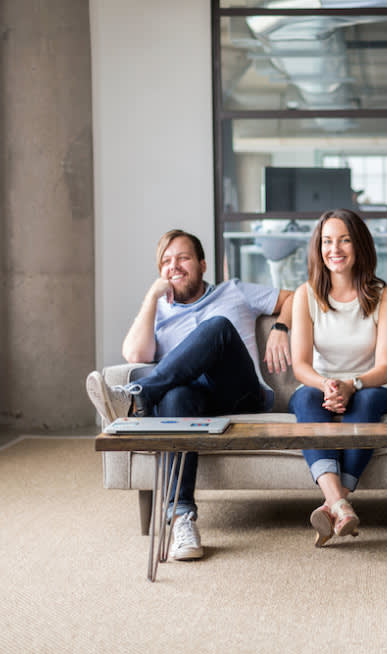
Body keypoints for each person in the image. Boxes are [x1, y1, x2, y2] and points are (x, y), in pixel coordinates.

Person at [85, 229, 293, 561]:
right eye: (166, 262)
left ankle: (138, 398)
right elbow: (134, 353)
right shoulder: (157, 312)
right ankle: (182, 519)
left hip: (240, 396)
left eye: (182, 258)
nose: (175, 266)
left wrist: (280, 328)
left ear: (202, 264)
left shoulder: (234, 291)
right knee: (177, 397)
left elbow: (294, 298)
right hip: (195, 406)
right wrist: (151, 298)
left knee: (217, 327)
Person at [288, 209, 387, 546]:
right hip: (321, 387)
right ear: (318, 248)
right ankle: (340, 504)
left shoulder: (384, 295)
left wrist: (353, 384)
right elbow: (301, 365)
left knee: (365, 400)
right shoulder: (305, 295)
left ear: (360, 245)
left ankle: (332, 501)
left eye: (344, 240)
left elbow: (385, 367)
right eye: (326, 241)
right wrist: (326, 384)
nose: (334, 249)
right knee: (306, 397)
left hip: (372, 386)